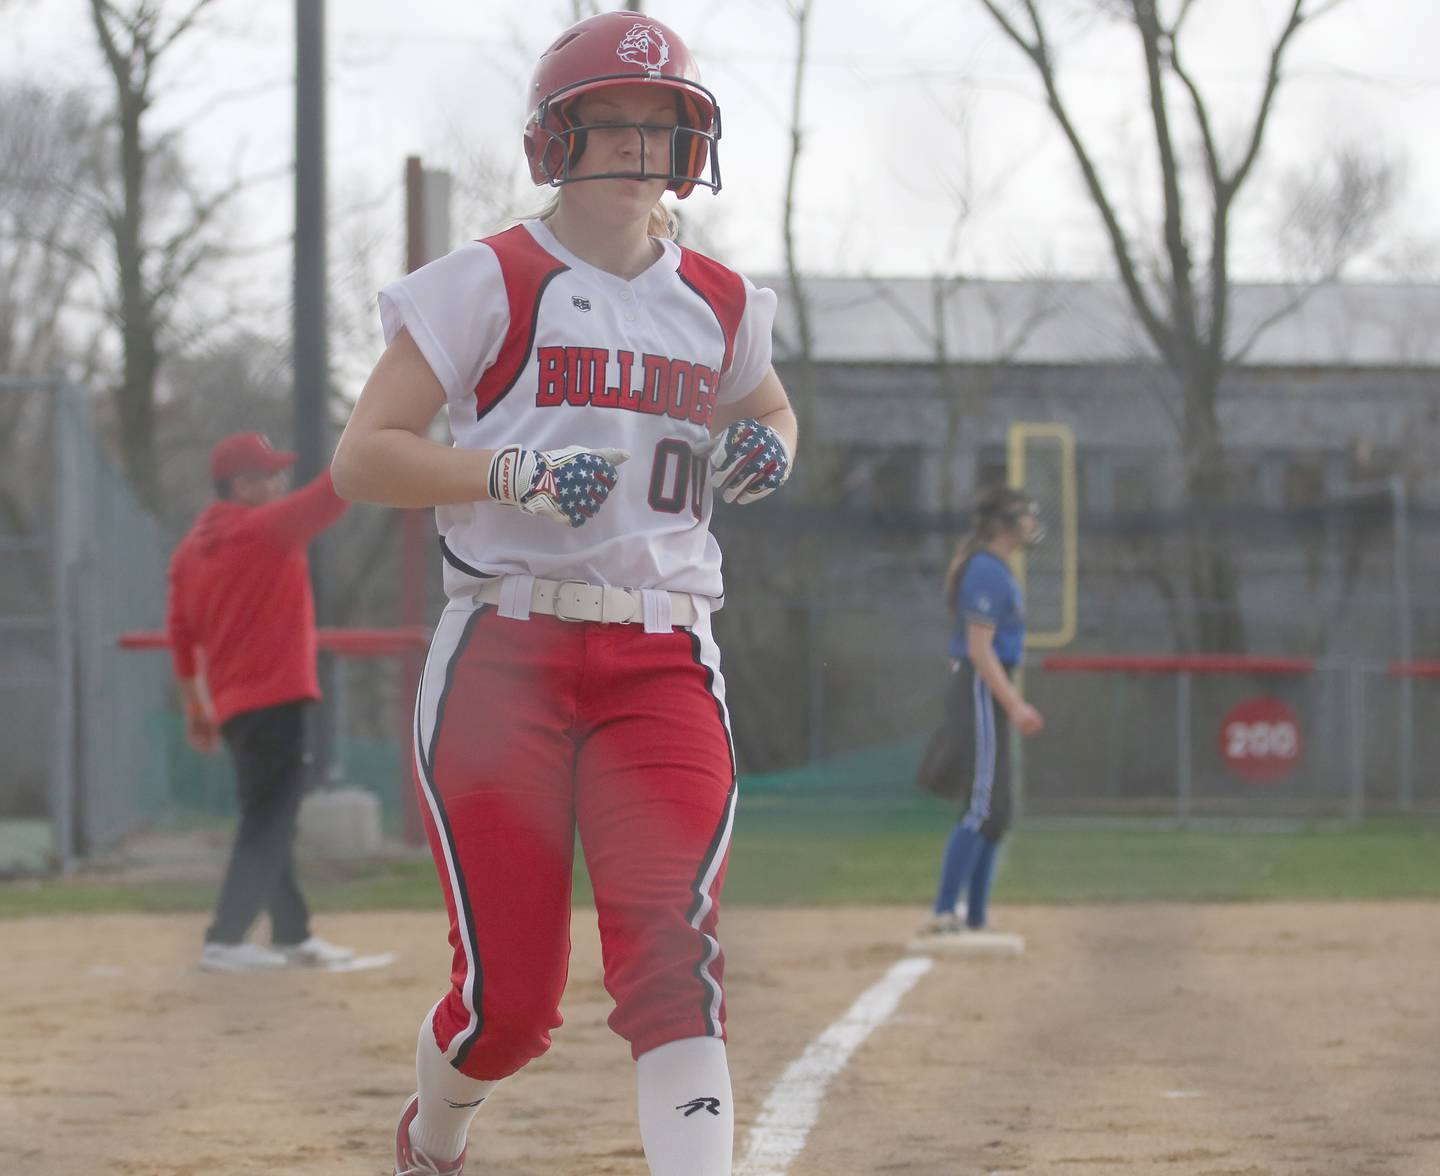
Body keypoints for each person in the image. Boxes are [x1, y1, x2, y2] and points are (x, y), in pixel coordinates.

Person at [330, 12, 798, 1176]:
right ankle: (434, 1134)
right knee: (512, 1007)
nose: (641, 148)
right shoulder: (492, 276)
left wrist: (778, 446)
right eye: (615, 123)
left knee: (670, 953)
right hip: (504, 656)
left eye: (665, 125)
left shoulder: (723, 300)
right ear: (556, 141)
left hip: (664, 657)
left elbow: (771, 408)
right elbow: (364, 457)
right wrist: (510, 471)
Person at [166, 431, 356, 974]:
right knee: (268, 822)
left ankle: (293, 935)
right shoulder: (265, 528)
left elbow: (180, 635)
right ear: (242, 484)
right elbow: (333, 493)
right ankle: (224, 937)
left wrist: (195, 707)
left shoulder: (190, 551)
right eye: (268, 473)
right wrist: (375, 435)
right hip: (276, 701)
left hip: (233, 707)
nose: (278, 482)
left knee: (269, 817)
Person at [920, 486, 1045, 938]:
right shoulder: (987, 570)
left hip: (988, 688)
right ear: (1003, 524)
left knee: (999, 810)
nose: (1031, 524)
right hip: (979, 686)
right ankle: (942, 911)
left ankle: (974, 918)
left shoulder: (997, 568)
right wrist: (1014, 704)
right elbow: (979, 650)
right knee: (980, 804)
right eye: (1025, 516)